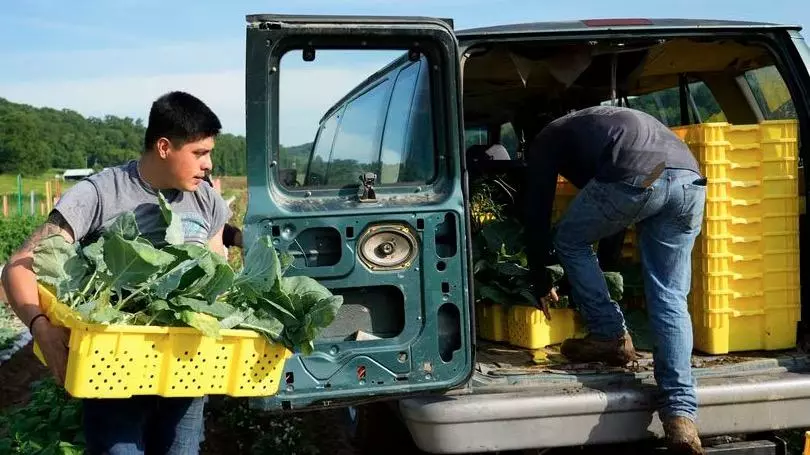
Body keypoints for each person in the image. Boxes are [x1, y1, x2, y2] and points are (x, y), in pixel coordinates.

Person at [1, 91, 231, 454]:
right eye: (199, 153)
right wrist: (39, 326)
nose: (208, 165)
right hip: (116, 372)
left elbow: (217, 273)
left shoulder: (207, 199)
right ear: (164, 146)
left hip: (187, 373)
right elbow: (20, 265)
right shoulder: (100, 193)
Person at [523, 105, 707, 455]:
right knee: (670, 296)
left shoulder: (546, 139)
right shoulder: (601, 123)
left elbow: (538, 211)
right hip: (689, 180)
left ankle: (609, 333)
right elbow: (611, 215)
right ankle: (681, 416)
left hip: (638, 175)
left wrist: (539, 275)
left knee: (569, 239)